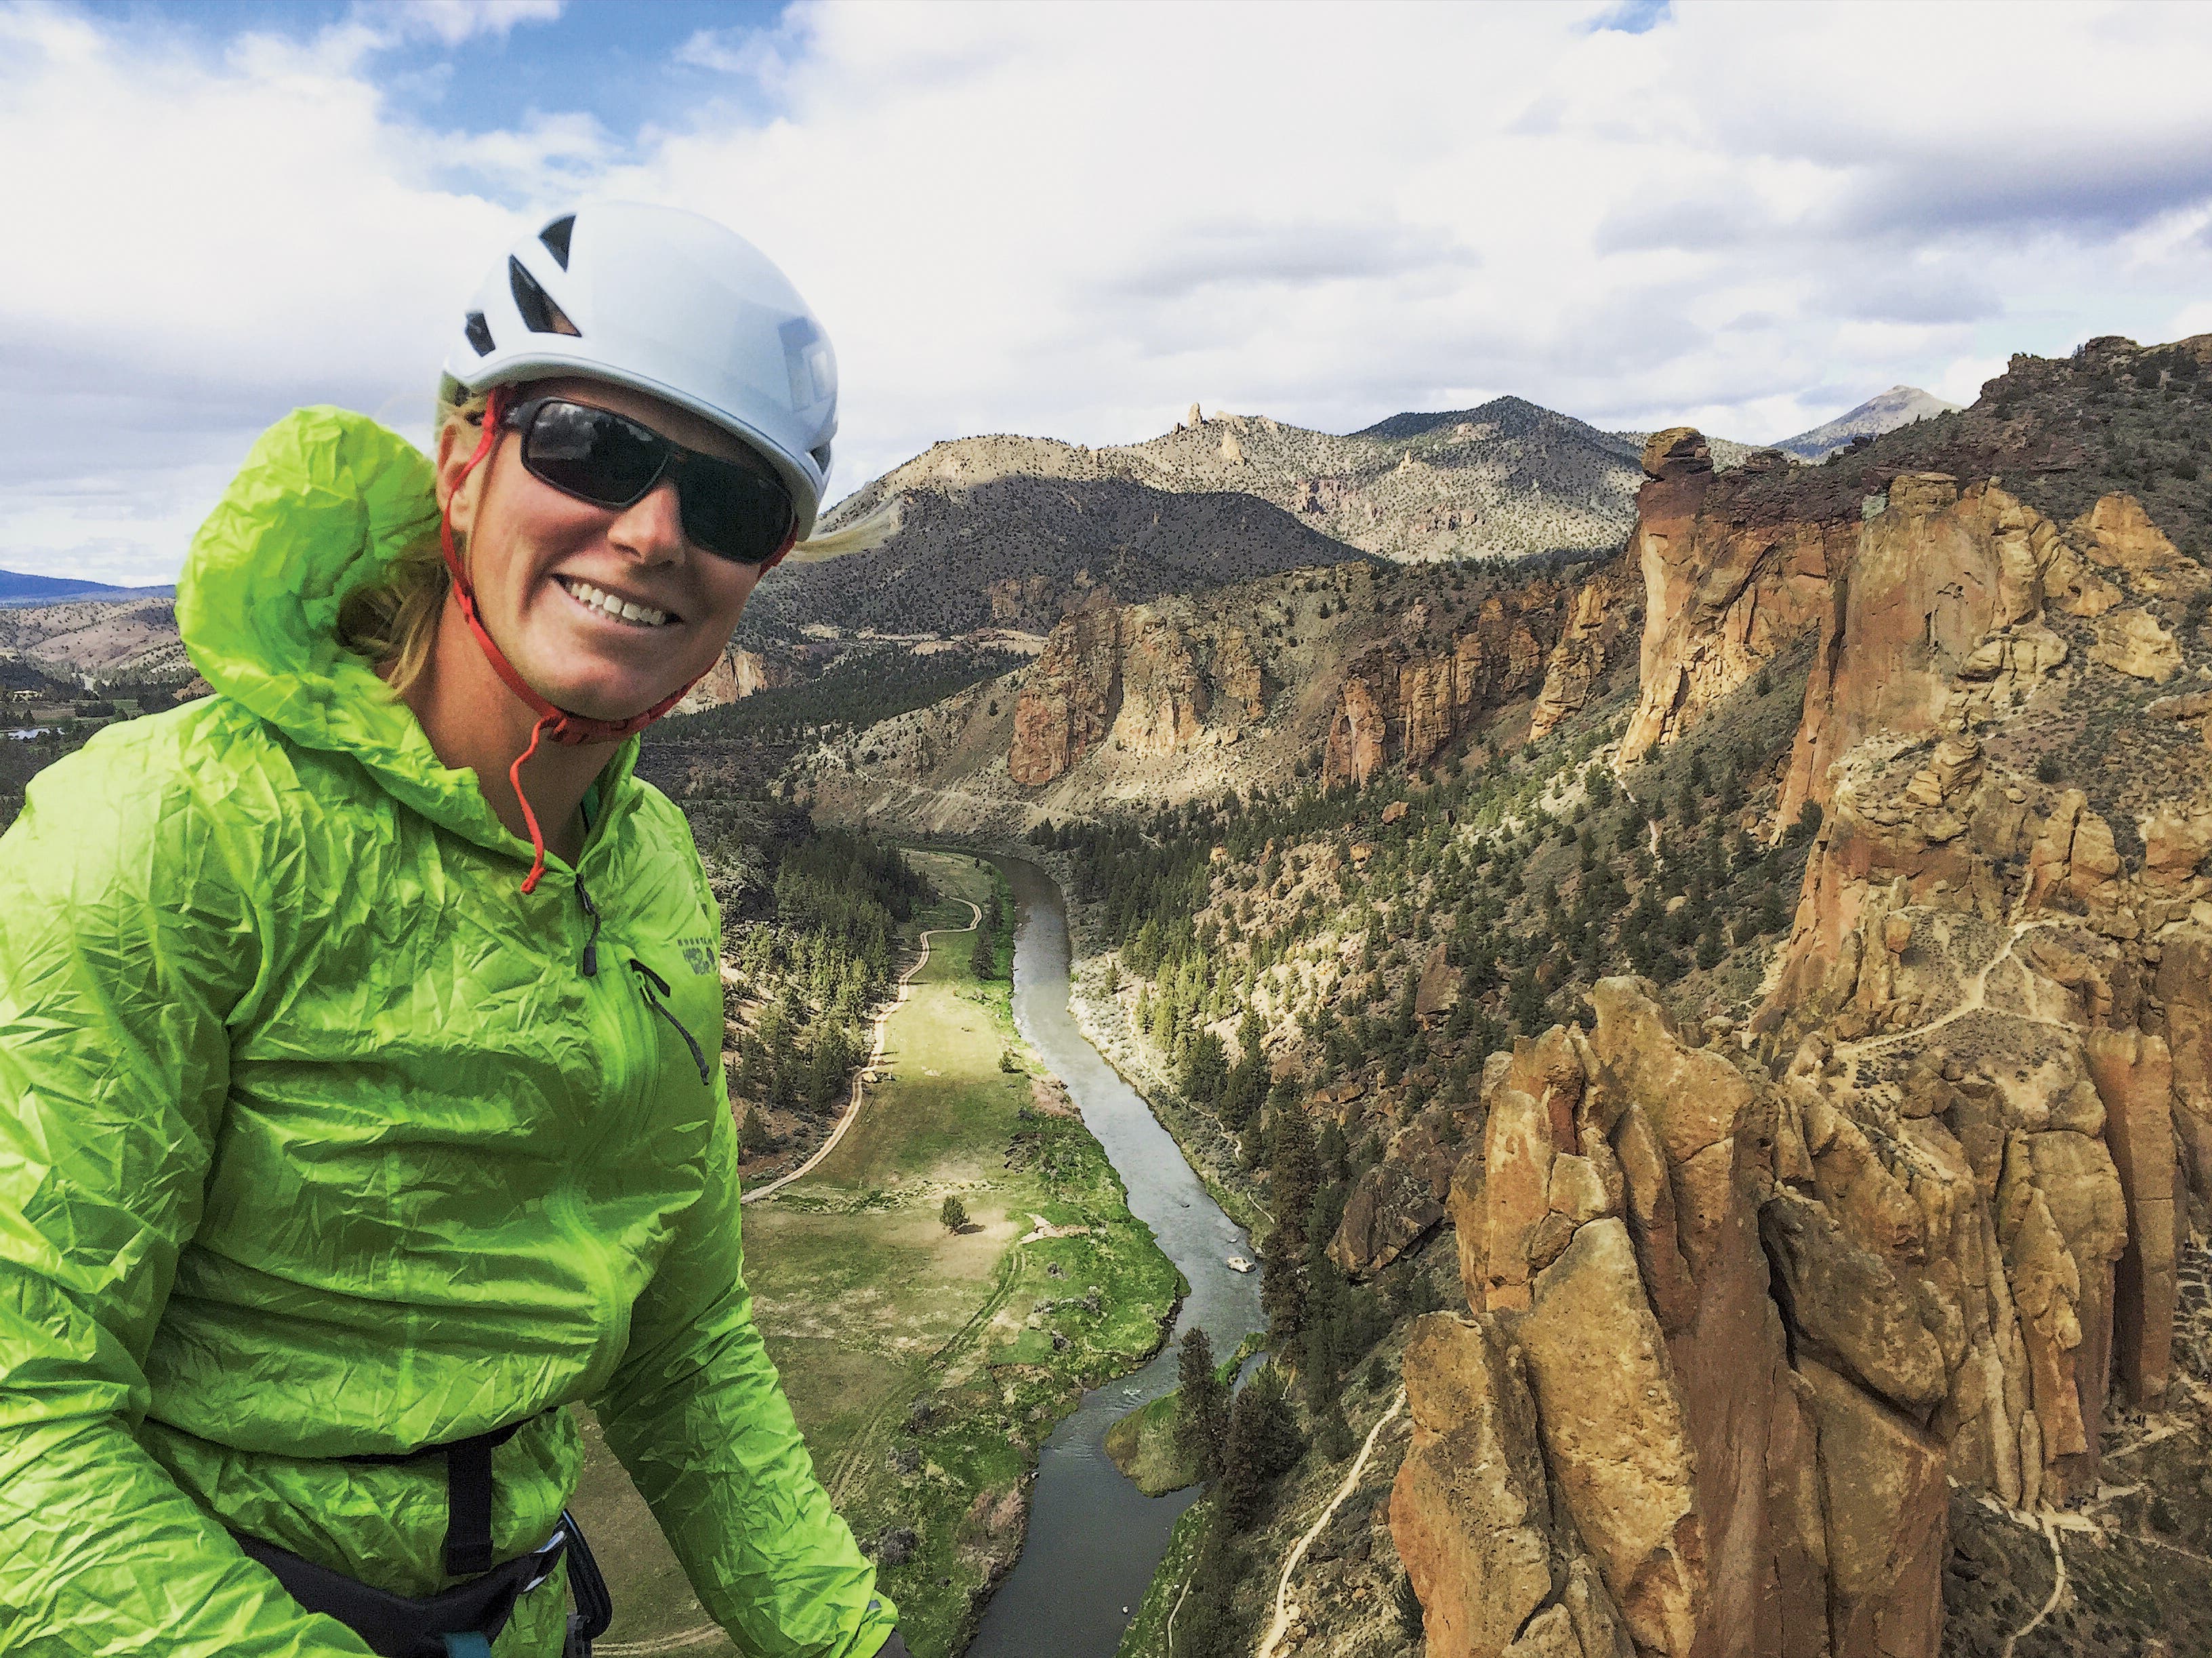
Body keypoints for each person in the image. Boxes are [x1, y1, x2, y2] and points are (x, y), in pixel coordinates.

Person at [0, 203, 907, 1658]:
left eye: (731, 504)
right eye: (589, 447)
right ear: (464, 459)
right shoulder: (162, 838)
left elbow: (681, 1351)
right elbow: (23, 1427)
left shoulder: (650, 873)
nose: (654, 531)